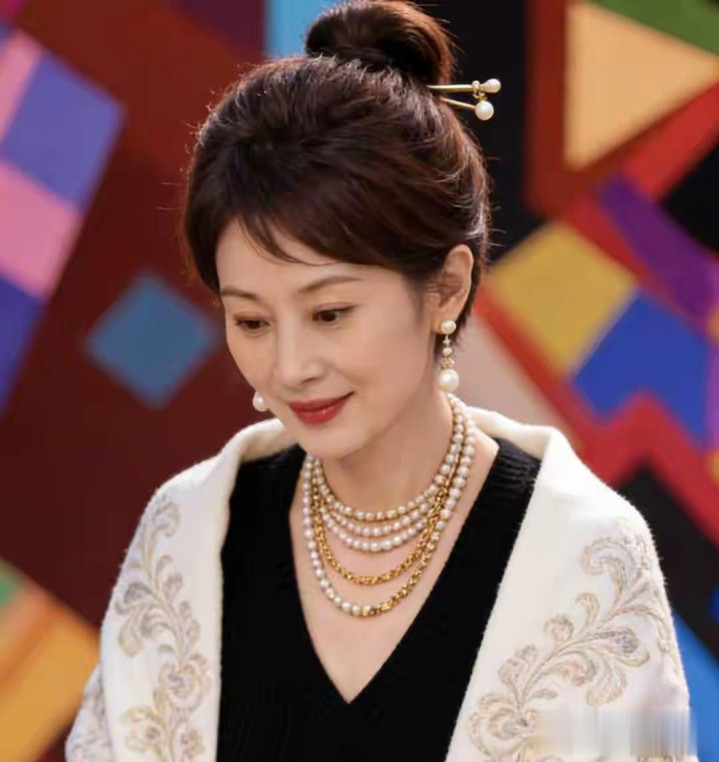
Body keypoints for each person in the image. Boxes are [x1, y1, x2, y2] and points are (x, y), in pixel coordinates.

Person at [66, 1, 697, 760]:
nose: (290, 366)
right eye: (252, 321)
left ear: (445, 289)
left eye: (329, 313)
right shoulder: (188, 534)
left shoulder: (584, 557)